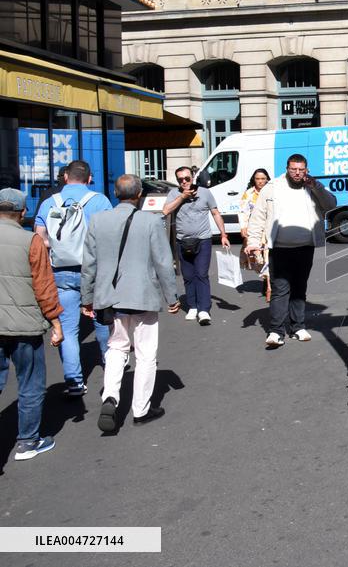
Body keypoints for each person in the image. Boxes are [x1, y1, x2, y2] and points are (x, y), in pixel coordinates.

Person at [81, 175, 180, 431]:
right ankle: (141, 408)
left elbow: (89, 263)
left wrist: (87, 298)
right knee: (146, 353)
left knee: (116, 347)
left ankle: (111, 395)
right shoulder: (151, 221)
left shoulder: (98, 220)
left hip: (110, 296)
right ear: (139, 195)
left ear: (116, 193)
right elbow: (163, 261)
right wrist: (172, 297)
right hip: (142, 294)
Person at [34, 159, 113, 397]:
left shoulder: (49, 202)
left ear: (65, 177)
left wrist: (58, 245)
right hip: (94, 271)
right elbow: (108, 237)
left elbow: (40, 239)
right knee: (102, 321)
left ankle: (74, 382)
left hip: (60, 271)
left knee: (68, 328)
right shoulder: (100, 200)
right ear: (89, 178)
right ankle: (111, 367)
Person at [245, 154, 337, 349]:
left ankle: (297, 327)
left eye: (301, 169)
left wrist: (316, 186)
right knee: (280, 289)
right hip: (279, 248)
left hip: (305, 247)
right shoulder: (272, 187)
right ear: (287, 169)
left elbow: (331, 204)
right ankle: (276, 331)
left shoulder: (312, 186)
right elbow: (258, 216)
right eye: (293, 169)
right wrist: (253, 241)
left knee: (299, 288)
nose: (297, 173)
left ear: (307, 170)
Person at [0, 188, 64, 461]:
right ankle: (27, 442)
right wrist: (56, 322)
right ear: (23, 213)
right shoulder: (32, 241)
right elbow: (44, 287)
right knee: (30, 383)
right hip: (25, 326)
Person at [162, 166, 229, 325]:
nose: (184, 182)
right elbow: (165, 211)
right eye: (180, 180)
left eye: (187, 178)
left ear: (193, 177)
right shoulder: (174, 193)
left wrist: (223, 234)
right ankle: (192, 306)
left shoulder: (205, 192)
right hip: (182, 241)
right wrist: (182, 197)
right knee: (188, 276)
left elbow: (215, 213)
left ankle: (204, 309)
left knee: (201, 274)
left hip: (203, 239)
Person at [239, 169, 271, 300]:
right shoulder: (249, 194)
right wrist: (243, 226)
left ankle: (269, 286)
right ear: (254, 180)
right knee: (258, 259)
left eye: (263, 179)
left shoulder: (271, 191)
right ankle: (266, 279)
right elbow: (243, 211)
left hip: (268, 228)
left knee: (268, 255)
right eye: (258, 179)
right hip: (254, 229)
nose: (261, 181)